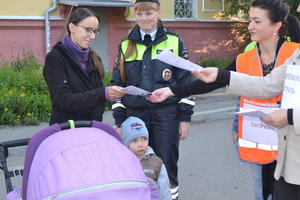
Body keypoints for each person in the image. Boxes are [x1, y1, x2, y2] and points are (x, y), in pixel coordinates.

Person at [149, 1, 300, 199]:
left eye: (256, 21)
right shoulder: (248, 58)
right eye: (249, 20)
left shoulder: (292, 51)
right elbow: (260, 85)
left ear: (276, 25)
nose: (249, 26)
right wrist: (172, 90)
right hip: (261, 134)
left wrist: (289, 115)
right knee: (262, 189)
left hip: (289, 136)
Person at [110, 1, 194, 199]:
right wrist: (120, 121)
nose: (144, 18)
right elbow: (117, 85)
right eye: (139, 14)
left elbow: (185, 83)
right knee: (135, 165)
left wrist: (184, 118)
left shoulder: (174, 41)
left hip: (167, 115)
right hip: (135, 116)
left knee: (166, 163)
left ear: (158, 13)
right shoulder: (126, 44)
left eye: (149, 13)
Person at [43, 8, 126, 125]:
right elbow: (63, 100)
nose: (92, 36)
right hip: (66, 130)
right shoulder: (55, 58)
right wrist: (103, 93)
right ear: (72, 27)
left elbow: (98, 101)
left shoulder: (94, 58)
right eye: (88, 30)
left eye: (95, 31)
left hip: (92, 130)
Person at [121, 116, 172, 200]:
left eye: (144, 139)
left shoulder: (156, 162)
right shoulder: (121, 162)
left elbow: (164, 189)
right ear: (126, 143)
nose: (140, 144)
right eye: (134, 140)